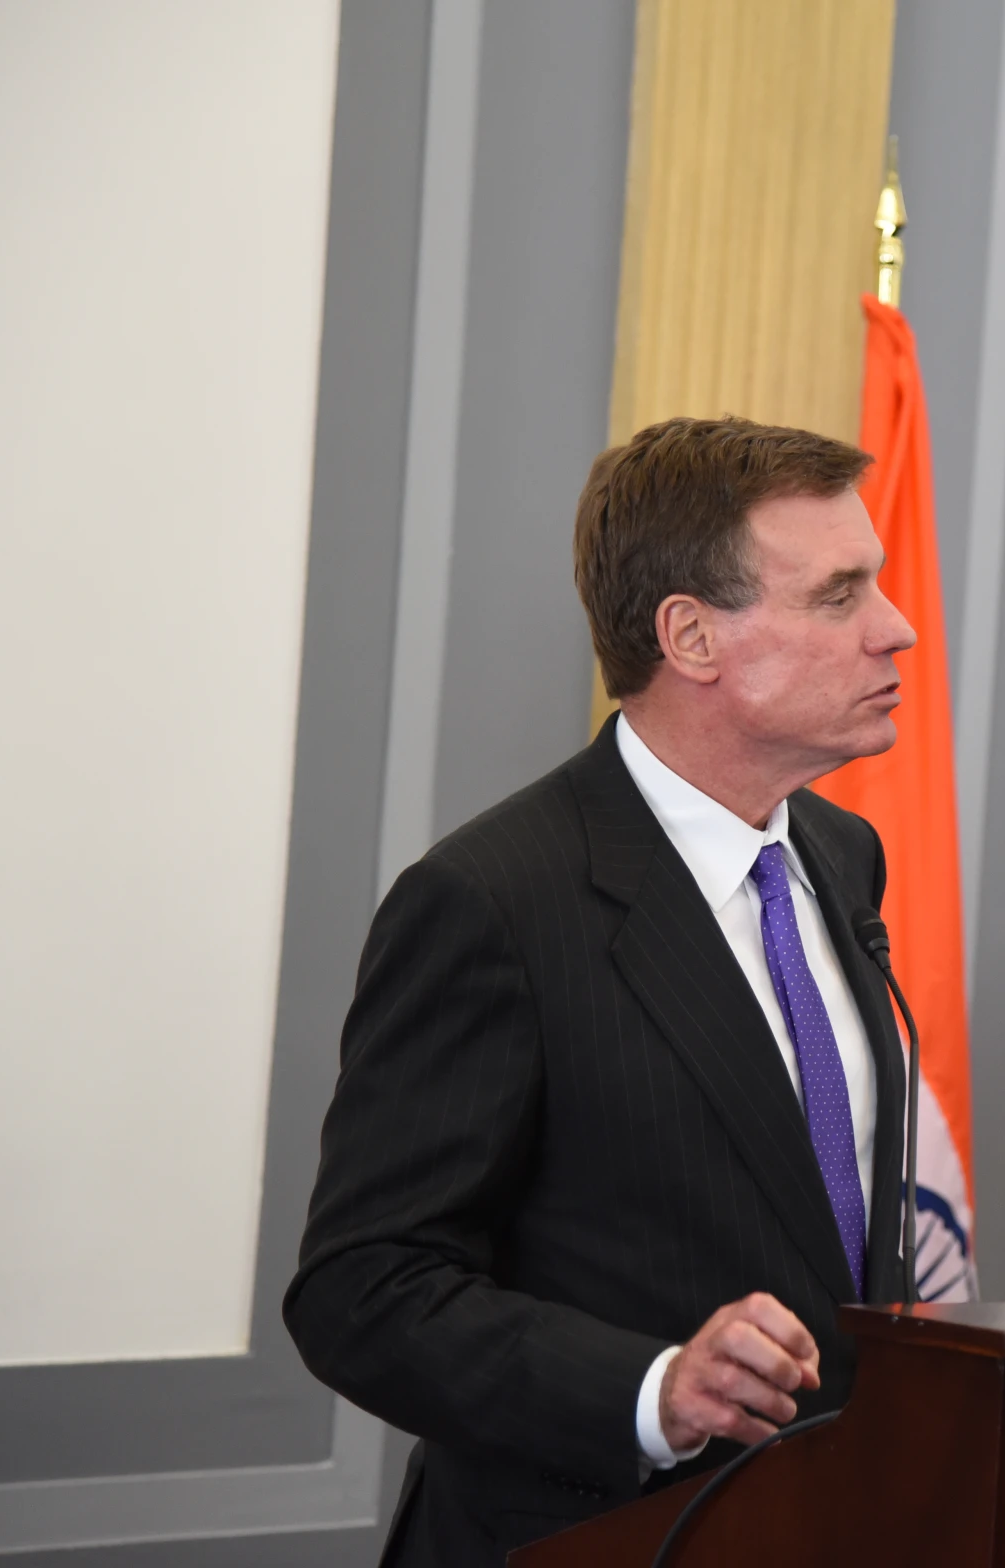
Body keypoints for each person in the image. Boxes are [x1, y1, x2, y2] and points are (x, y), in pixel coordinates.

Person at [285, 416, 919, 1561]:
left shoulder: (841, 855)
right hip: (592, 1533)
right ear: (691, 635)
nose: (897, 628)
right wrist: (654, 1385)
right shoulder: (493, 900)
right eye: (839, 595)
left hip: (823, 1524)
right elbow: (363, 1288)